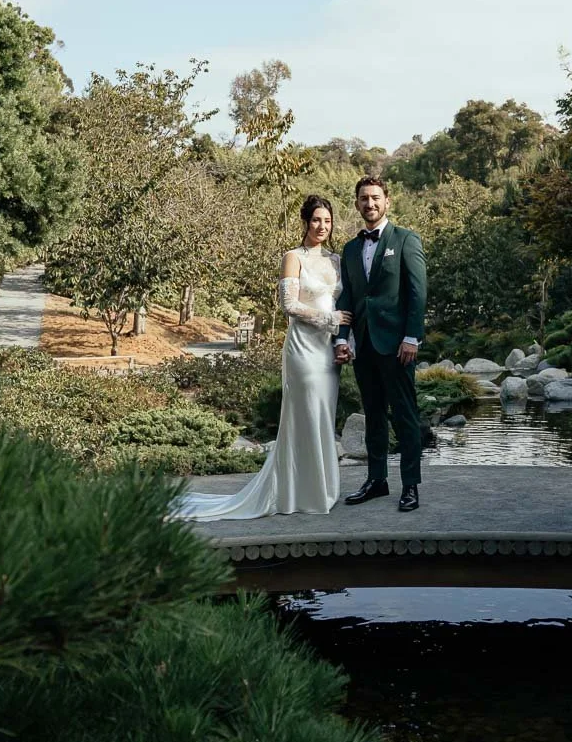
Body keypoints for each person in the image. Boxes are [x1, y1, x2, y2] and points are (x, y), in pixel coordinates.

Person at [172, 195, 345, 520]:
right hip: (303, 350)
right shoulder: (293, 257)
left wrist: (340, 336)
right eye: (316, 220)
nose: (322, 226)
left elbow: (339, 300)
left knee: (323, 416)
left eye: (327, 220)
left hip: (327, 352)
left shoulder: (336, 261)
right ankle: (293, 494)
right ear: (305, 222)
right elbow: (289, 305)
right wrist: (330, 321)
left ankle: (321, 490)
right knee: (303, 416)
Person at [333, 174, 428, 511]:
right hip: (365, 346)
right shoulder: (350, 248)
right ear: (357, 203)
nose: (369, 204)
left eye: (375, 198)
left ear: (387, 201)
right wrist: (342, 339)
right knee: (373, 414)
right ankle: (377, 481)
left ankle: (411, 487)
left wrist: (411, 336)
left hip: (398, 345)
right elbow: (347, 299)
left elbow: (417, 293)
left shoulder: (406, 240)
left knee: (405, 416)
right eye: (363, 198)